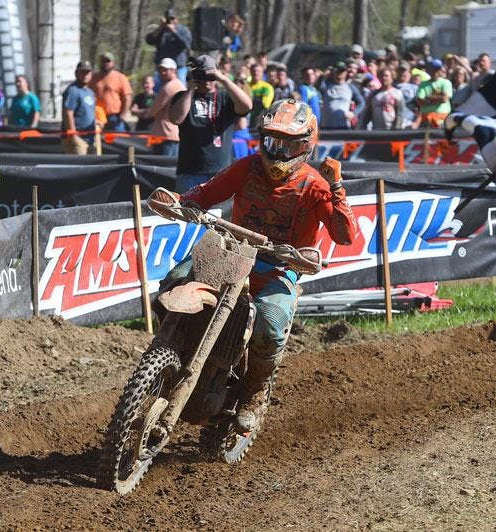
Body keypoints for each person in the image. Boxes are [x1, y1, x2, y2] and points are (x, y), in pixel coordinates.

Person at [150, 99, 358, 434]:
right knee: (173, 282)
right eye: (272, 142)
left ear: (305, 145)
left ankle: (253, 392)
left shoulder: (315, 184)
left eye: (287, 144)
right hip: (231, 251)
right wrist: (182, 203)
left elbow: (344, 236)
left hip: (278, 266)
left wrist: (337, 190)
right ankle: (171, 352)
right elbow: (206, 193)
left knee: (271, 324)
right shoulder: (247, 167)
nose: (278, 152)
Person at [168, 54, 253, 192]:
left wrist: (223, 79)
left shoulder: (225, 97)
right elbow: (176, 119)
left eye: (209, 75)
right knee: (187, 212)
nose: (206, 80)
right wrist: (190, 88)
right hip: (190, 171)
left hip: (221, 171)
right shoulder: (182, 97)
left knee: (220, 213)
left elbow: (247, 106)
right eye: (202, 74)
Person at [147, 58, 186, 156]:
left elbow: (152, 111)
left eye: (165, 70)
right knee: (170, 168)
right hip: (175, 134)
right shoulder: (181, 85)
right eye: (160, 70)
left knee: (161, 168)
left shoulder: (168, 88)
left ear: (174, 70)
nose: (162, 72)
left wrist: (141, 112)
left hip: (164, 135)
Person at [146, 9, 192, 88]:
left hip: (178, 67)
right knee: (159, 90)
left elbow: (186, 44)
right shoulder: (161, 30)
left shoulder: (183, 30)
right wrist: (160, 28)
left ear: (177, 19)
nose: (170, 21)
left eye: (172, 18)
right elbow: (149, 40)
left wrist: (174, 31)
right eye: (168, 19)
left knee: (180, 90)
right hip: (161, 68)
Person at [89, 52, 133, 131]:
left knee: (118, 141)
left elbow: (127, 98)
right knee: (98, 142)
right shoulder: (93, 78)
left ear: (113, 63)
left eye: (108, 61)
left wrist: (122, 116)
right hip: (97, 117)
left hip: (115, 117)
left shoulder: (120, 77)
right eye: (103, 61)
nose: (105, 63)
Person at [61, 61, 97, 155]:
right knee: (80, 167)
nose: (85, 75)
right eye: (82, 72)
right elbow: (68, 113)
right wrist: (73, 135)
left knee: (93, 167)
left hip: (90, 139)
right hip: (78, 138)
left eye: (87, 72)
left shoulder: (90, 92)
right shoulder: (72, 90)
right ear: (76, 73)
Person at [320, 61, 364, 130]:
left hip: (343, 126)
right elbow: (317, 85)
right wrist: (324, 76)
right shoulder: (326, 85)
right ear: (333, 72)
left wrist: (353, 113)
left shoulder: (350, 87)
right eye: (337, 70)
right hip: (326, 126)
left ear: (346, 72)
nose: (339, 73)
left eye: (342, 71)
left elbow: (362, 103)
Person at [416, 59, 452, 127]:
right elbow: (419, 101)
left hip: (442, 119)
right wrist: (438, 98)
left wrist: (428, 97)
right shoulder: (423, 84)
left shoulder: (446, 83)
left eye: (437, 69)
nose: (435, 72)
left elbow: (444, 99)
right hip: (426, 119)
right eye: (433, 69)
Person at [249, 63, 275, 128]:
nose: (256, 73)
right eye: (254, 71)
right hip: (246, 118)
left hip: (259, 120)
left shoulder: (267, 87)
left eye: (258, 71)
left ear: (262, 73)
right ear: (250, 72)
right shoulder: (245, 86)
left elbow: (264, 104)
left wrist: (248, 99)